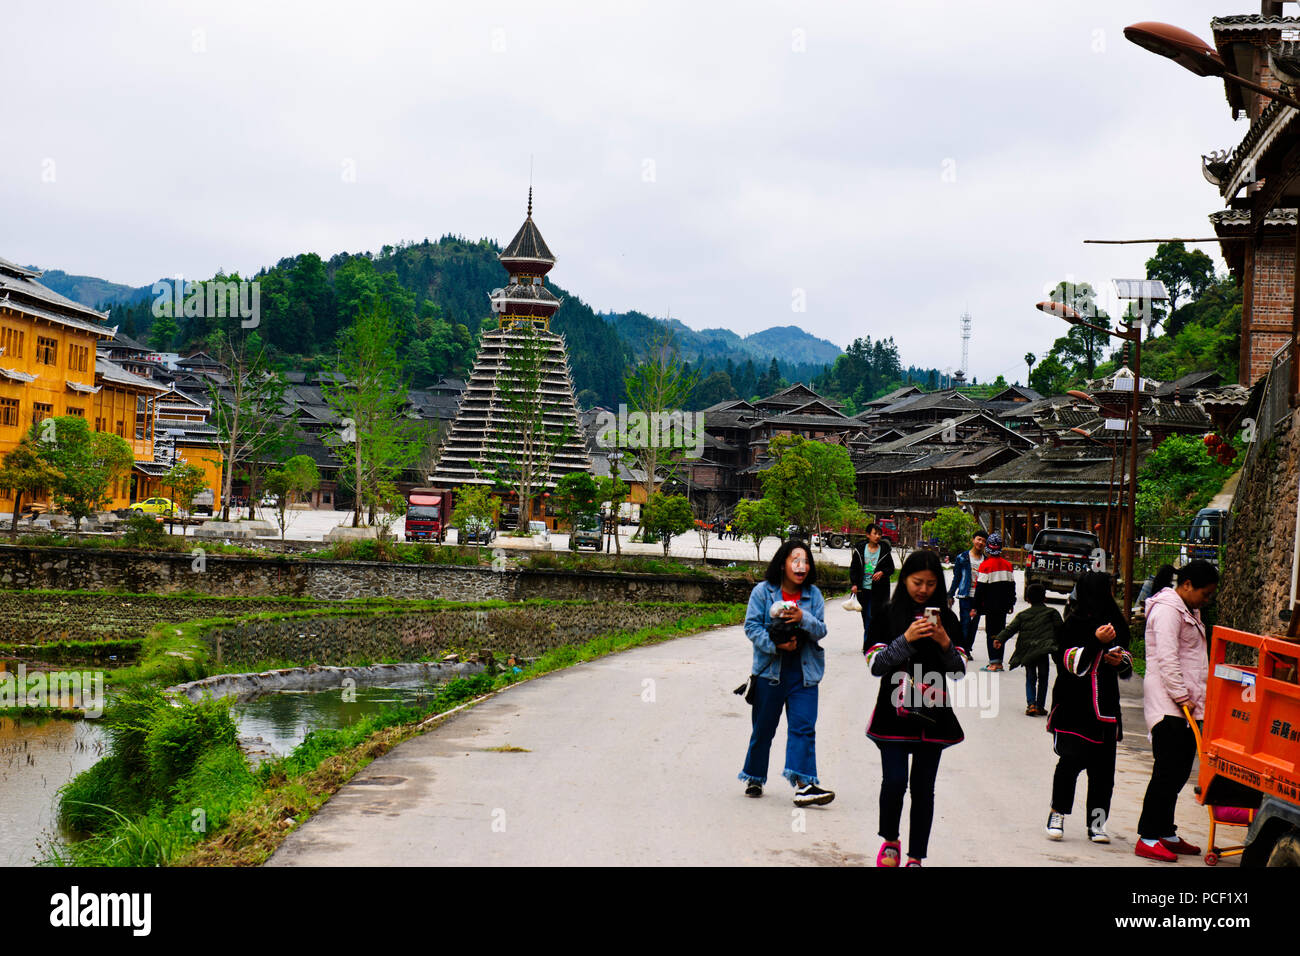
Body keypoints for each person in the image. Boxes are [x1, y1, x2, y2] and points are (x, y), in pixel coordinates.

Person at [865, 550, 966, 867]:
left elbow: (958, 671)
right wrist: (906, 639)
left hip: (932, 714)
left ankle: (915, 857)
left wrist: (945, 643)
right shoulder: (886, 613)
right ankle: (891, 841)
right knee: (894, 781)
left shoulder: (947, 619)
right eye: (917, 582)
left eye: (931, 583)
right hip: (893, 712)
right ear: (904, 579)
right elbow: (876, 665)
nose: (923, 589)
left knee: (923, 788)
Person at [739, 539, 834, 807]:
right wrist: (776, 644)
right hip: (771, 672)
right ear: (783, 564)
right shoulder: (763, 592)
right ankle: (755, 776)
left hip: (804, 673)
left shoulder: (813, 596)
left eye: (805, 561)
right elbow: (752, 627)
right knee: (763, 728)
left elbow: (821, 631)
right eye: (795, 560)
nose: (801, 566)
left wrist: (803, 617)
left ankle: (804, 784)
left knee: (803, 727)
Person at [1135, 560, 1220, 862]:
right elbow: (1167, 659)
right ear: (1186, 585)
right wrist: (1183, 697)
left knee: (1180, 772)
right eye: (1205, 594)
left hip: (1187, 707)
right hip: (1169, 704)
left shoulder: (1189, 610)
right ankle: (1147, 835)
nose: (1206, 600)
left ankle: (1165, 832)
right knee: (1165, 771)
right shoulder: (1168, 610)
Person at [1044, 571, 1132, 844]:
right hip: (1074, 707)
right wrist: (1096, 642)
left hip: (1105, 709)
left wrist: (1119, 660)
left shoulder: (1116, 623)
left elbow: (1127, 657)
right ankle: (1057, 812)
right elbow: (1070, 664)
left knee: (1103, 773)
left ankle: (1096, 824)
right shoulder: (1072, 624)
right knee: (1069, 764)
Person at [993, 583, 1062, 715]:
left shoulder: (1022, 615)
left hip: (1028, 650)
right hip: (1043, 650)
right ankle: (1040, 706)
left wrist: (999, 639)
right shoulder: (1052, 613)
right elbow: (1061, 630)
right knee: (1043, 678)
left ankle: (1031, 705)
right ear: (1045, 598)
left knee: (1030, 677)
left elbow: (1011, 628)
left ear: (1028, 599)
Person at [973, 532, 1016, 672]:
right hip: (1003, 606)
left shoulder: (985, 566)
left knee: (991, 633)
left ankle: (993, 663)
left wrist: (976, 607)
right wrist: (1011, 603)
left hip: (990, 607)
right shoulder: (1008, 566)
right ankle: (999, 662)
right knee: (1001, 632)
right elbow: (1011, 587)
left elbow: (980, 590)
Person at [849, 523, 894, 654]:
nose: (877, 536)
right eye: (875, 533)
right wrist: (854, 583)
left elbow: (890, 568)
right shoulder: (860, 549)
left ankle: (870, 644)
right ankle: (871, 642)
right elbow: (854, 568)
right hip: (864, 589)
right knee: (866, 616)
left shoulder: (884, 550)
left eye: (879, 534)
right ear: (868, 535)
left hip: (879, 591)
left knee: (875, 616)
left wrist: (882, 573)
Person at [946, 529, 987, 657]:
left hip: (979, 598)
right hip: (965, 595)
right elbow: (957, 577)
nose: (980, 542)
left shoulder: (986, 560)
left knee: (974, 625)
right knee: (965, 622)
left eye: (983, 541)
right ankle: (962, 649)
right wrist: (950, 594)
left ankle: (967, 648)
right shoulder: (962, 557)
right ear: (973, 540)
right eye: (978, 539)